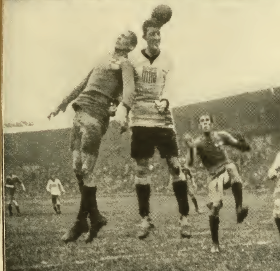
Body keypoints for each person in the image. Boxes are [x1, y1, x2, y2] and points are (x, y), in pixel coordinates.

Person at [48, 30, 138, 243]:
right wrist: (62, 103)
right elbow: (83, 83)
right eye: (120, 34)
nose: (119, 36)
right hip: (80, 111)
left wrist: (124, 110)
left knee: (86, 170)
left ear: (131, 46)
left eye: (125, 36)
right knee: (77, 167)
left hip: (96, 116)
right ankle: (95, 216)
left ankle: (81, 221)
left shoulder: (125, 65)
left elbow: (129, 90)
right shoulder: (102, 59)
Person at [114, 6, 192, 240]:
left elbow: (173, 87)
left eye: (159, 34)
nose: (156, 37)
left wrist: (166, 101)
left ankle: (184, 218)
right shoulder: (133, 60)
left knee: (176, 167)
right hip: (140, 120)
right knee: (141, 169)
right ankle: (145, 219)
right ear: (145, 36)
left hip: (163, 120)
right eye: (152, 34)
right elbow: (126, 88)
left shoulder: (168, 60)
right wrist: (121, 109)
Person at [185, 114, 251, 253]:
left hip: (227, 172)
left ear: (212, 123)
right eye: (202, 121)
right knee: (215, 208)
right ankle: (215, 243)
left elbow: (240, 146)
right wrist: (191, 148)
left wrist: (243, 143)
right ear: (199, 125)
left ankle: (239, 209)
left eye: (207, 120)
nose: (205, 123)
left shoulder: (222, 136)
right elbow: (189, 164)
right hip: (214, 178)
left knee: (232, 168)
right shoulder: (198, 143)